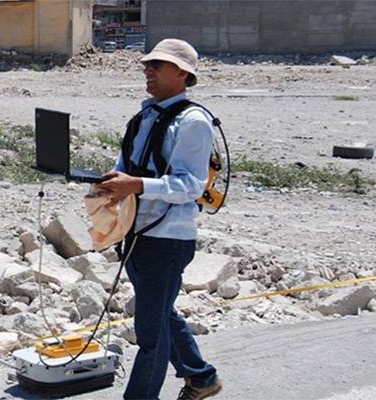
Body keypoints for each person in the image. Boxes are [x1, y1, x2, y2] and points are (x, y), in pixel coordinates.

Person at [94, 39, 222, 400]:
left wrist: (135, 184)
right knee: (160, 313)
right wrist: (112, 181)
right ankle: (202, 377)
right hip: (137, 231)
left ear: (182, 73)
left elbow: (192, 184)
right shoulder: (145, 116)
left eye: (158, 65)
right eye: (147, 65)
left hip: (167, 239)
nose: (147, 71)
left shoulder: (193, 122)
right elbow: (129, 168)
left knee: (150, 335)